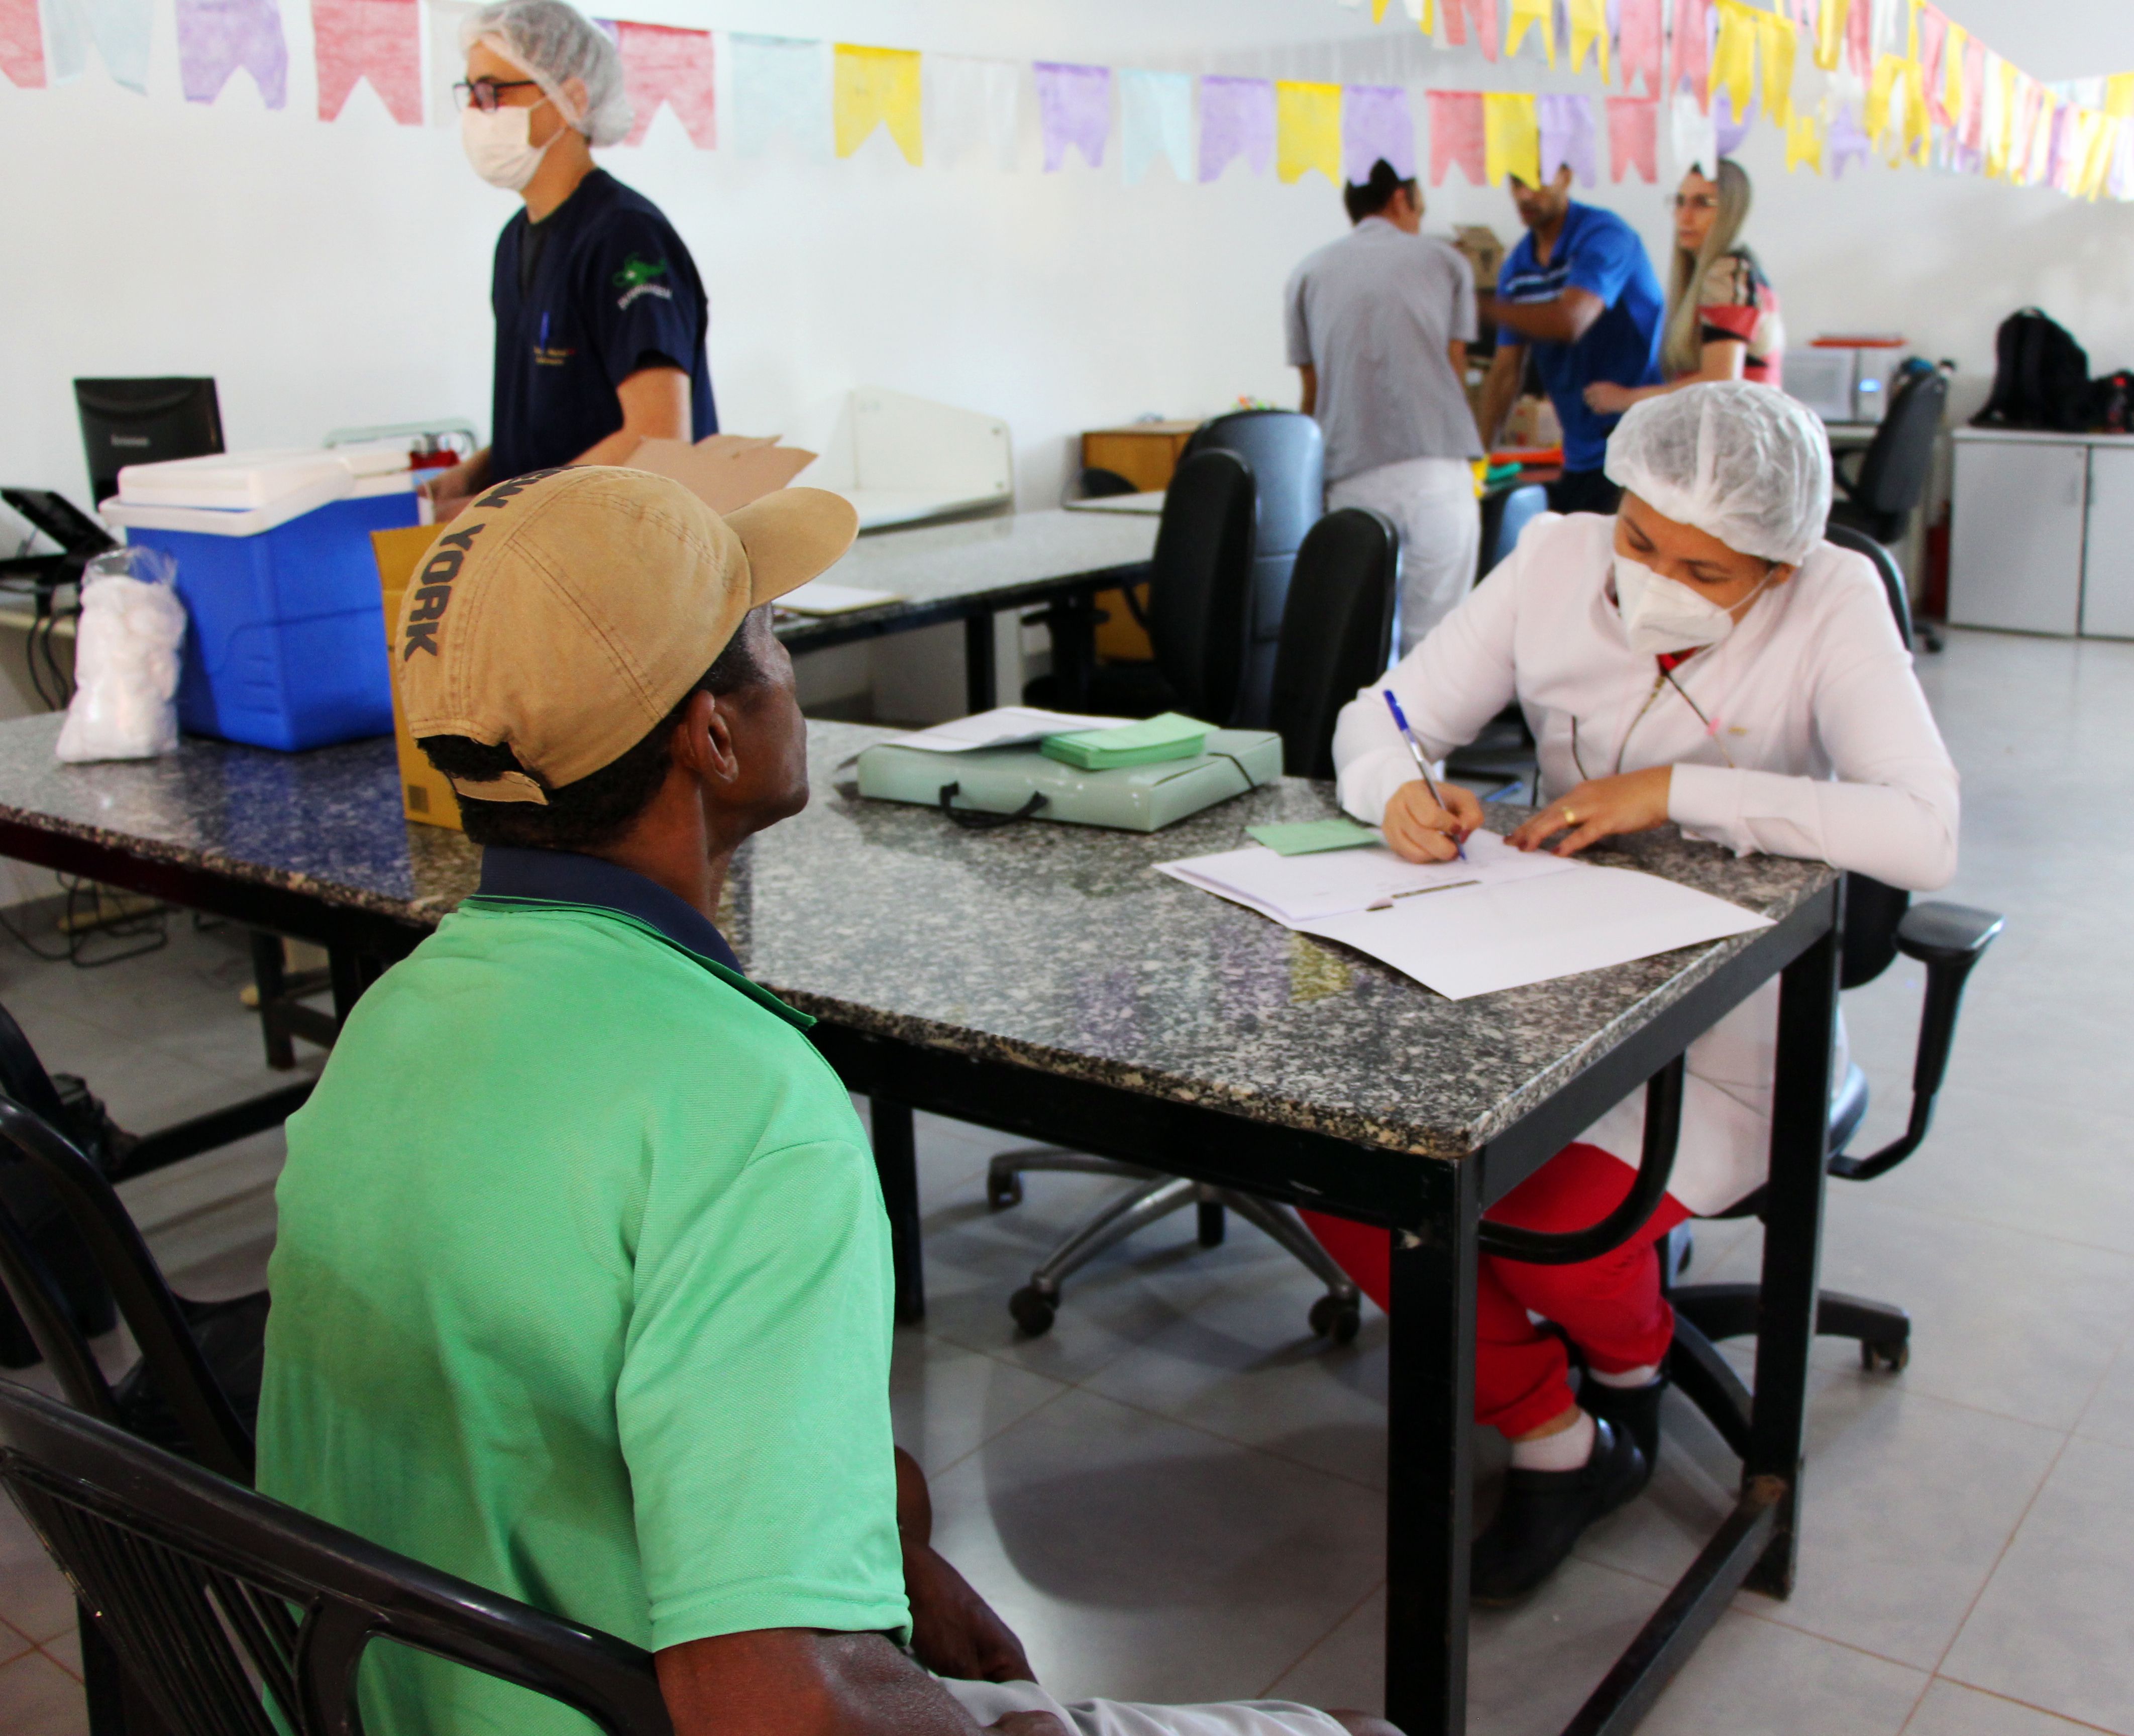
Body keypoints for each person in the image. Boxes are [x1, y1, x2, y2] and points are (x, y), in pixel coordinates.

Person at [257, 464, 1394, 1736]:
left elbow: (554, 1398)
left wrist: (877, 1529)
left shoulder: (397, 1015)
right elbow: (776, 1707)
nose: (791, 660)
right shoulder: (743, 1104)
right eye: (771, 634)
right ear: (716, 734)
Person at [1306, 383, 1959, 1605]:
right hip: (1535, 995)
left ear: (1776, 567)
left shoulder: (1830, 601)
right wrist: (1391, 783)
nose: (1653, 578)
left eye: (1704, 569)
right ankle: (1556, 1430)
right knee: (1353, 1178)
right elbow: (1380, 714)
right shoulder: (1553, 556)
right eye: (1640, 539)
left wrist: (1675, 790)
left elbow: (1923, 832)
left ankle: (1629, 1360)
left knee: (1554, 1230)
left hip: (1731, 1033)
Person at [420, 0, 717, 521]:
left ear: (570, 98)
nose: (475, 112)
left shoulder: (625, 237)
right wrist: (474, 476)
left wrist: (499, 509)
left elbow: (660, 436)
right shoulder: (516, 240)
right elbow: (549, 429)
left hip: (636, 557)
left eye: (493, 92)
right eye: (469, 94)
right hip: (556, 555)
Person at [1285, 158, 1484, 652]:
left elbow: (1310, 395)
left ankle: (1366, 728)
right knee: (1438, 641)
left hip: (1351, 476)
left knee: (1364, 636)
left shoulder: (1306, 273)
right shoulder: (1445, 262)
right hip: (1435, 468)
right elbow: (1453, 367)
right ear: (1402, 198)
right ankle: (1426, 731)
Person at [1475, 168, 1665, 517]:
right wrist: (1476, 466)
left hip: (1640, 452)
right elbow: (1505, 372)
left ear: (1566, 175)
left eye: (1536, 181)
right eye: (1516, 183)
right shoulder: (1518, 268)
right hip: (1579, 456)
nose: (1524, 196)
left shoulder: (1607, 236)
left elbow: (1571, 321)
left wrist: (1481, 306)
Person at [1583, 161, 1784, 418]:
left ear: (1730, 211)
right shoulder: (1720, 273)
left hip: (1741, 436)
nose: (1685, 216)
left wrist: (1627, 399)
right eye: (1680, 201)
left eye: (1703, 203)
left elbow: (1721, 380)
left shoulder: (1728, 272)